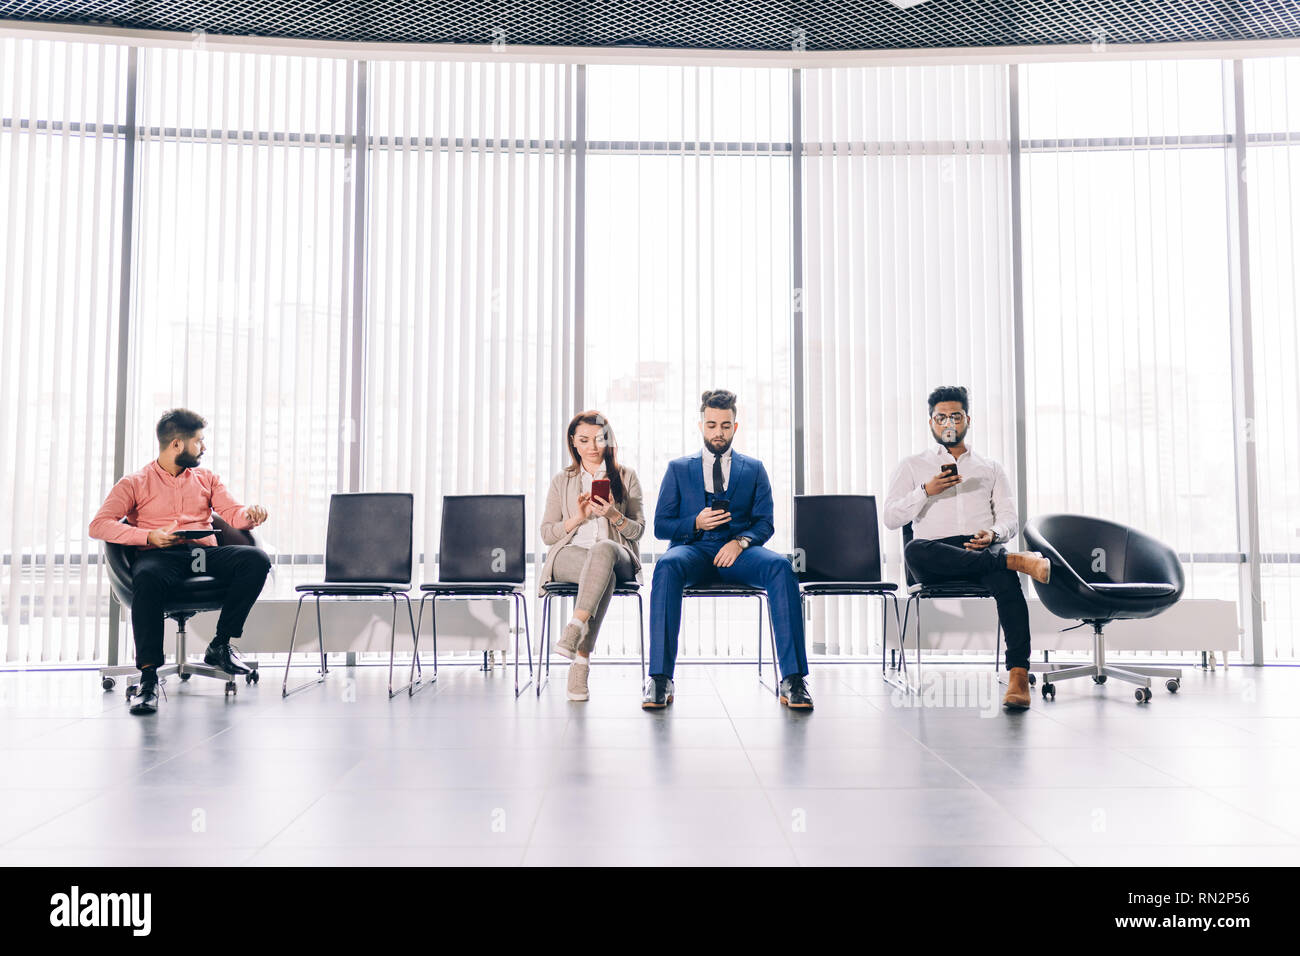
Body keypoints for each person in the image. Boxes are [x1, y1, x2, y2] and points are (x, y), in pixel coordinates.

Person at [89, 409, 271, 715]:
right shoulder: (134, 482)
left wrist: (250, 516)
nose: (204, 447)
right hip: (161, 555)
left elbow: (233, 513)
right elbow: (99, 525)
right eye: (199, 441)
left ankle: (221, 643)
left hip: (202, 555)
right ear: (177, 444)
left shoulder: (207, 478)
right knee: (146, 578)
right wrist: (149, 536)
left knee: (256, 560)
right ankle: (148, 680)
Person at [882, 385, 1050, 710]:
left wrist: (993, 533)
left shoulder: (990, 467)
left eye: (955, 416)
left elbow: (1009, 518)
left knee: (1006, 581)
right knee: (915, 549)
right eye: (941, 417)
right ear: (931, 422)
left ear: (967, 420)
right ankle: (1013, 561)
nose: (948, 423)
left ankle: (1017, 674)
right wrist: (925, 491)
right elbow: (890, 518)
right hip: (934, 556)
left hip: (980, 549)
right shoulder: (912, 466)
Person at [644, 389, 812, 710]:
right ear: (701, 426)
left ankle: (793, 679)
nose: (717, 432)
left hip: (739, 555)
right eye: (711, 425)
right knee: (666, 566)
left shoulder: (754, 469)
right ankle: (660, 679)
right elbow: (661, 526)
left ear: (735, 426)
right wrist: (695, 522)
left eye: (724, 425)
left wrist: (740, 542)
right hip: (693, 551)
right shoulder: (678, 469)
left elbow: (765, 523)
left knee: (781, 567)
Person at [538, 411, 645, 701]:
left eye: (598, 439)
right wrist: (579, 517)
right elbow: (548, 534)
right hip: (570, 555)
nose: (592, 447)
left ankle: (574, 628)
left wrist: (613, 515)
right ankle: (581, 662)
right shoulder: (563, 480)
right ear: (573, 442)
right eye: (583, 440)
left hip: (617, 553)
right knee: (601, 573)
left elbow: (638, 532)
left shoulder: (626, 476)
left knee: (602, 551)